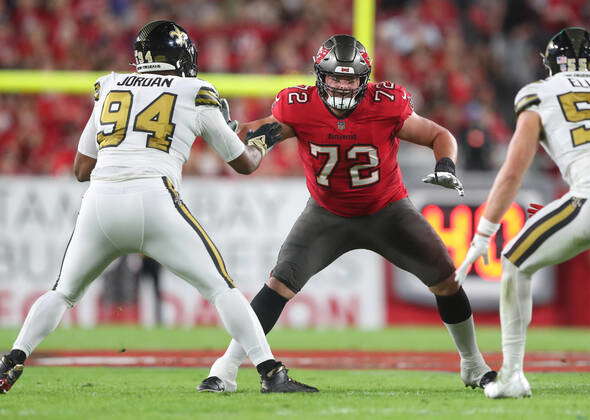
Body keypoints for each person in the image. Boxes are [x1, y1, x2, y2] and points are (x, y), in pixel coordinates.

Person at [0, 20, 317, 394]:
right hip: (154, 198)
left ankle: (10, 360)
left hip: (99, 202)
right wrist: (259, 142)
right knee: (221, 288)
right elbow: (243, 163)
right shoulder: (195, 90)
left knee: (63, 293)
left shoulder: (110, 85)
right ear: (182, 56)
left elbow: (81, 169)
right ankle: (270, 373)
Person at [203, 34, 495, 393]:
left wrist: (446, 164)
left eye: (351, 78)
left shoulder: (387, 103)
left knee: (446, 280)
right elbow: (260, 131)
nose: (342, 85)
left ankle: (473, 364)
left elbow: (439, 134)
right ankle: (224, 370)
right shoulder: (297, 105)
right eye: (336, 78)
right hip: (327, 214)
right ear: (319, 76)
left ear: (365, 79)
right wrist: (228, 129)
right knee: (278, 284)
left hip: (388, 211)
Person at [456, 28, 590, 398]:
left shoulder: (539, 92)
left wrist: (483, 234)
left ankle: (512, 376)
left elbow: (513, 171)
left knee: (516, 261)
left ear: (550, 63)